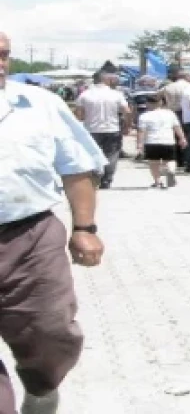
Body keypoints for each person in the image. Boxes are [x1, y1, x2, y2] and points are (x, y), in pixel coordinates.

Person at [0, 31, 107, 414]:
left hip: (29, 237)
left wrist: (85, 228)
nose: (1, 64)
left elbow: (76, 169)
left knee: (51, 331)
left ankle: (42, 390)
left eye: (4, 55)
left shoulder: (39, 104)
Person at [74, 72, 131, 189]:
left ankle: (95, 177)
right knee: (112, 154)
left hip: (91, 129)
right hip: (112, 128)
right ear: (108, 80)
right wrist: (127, 126)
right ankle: (107, 179)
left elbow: (79, 115)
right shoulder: (116, 94)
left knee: (92, 154)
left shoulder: (85, 95)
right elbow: (127, 111)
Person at [135, 94, 187, 189]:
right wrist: (182, 138)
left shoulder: (144, 116)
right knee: (170, 160)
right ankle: (171, 171)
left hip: (152, 142)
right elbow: (177, 127)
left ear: (147, 103)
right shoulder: (170, 113)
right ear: (161, 102)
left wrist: (139, 145)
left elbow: (141, 131)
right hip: (168, 141)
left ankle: (157, 182)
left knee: (154, 163)